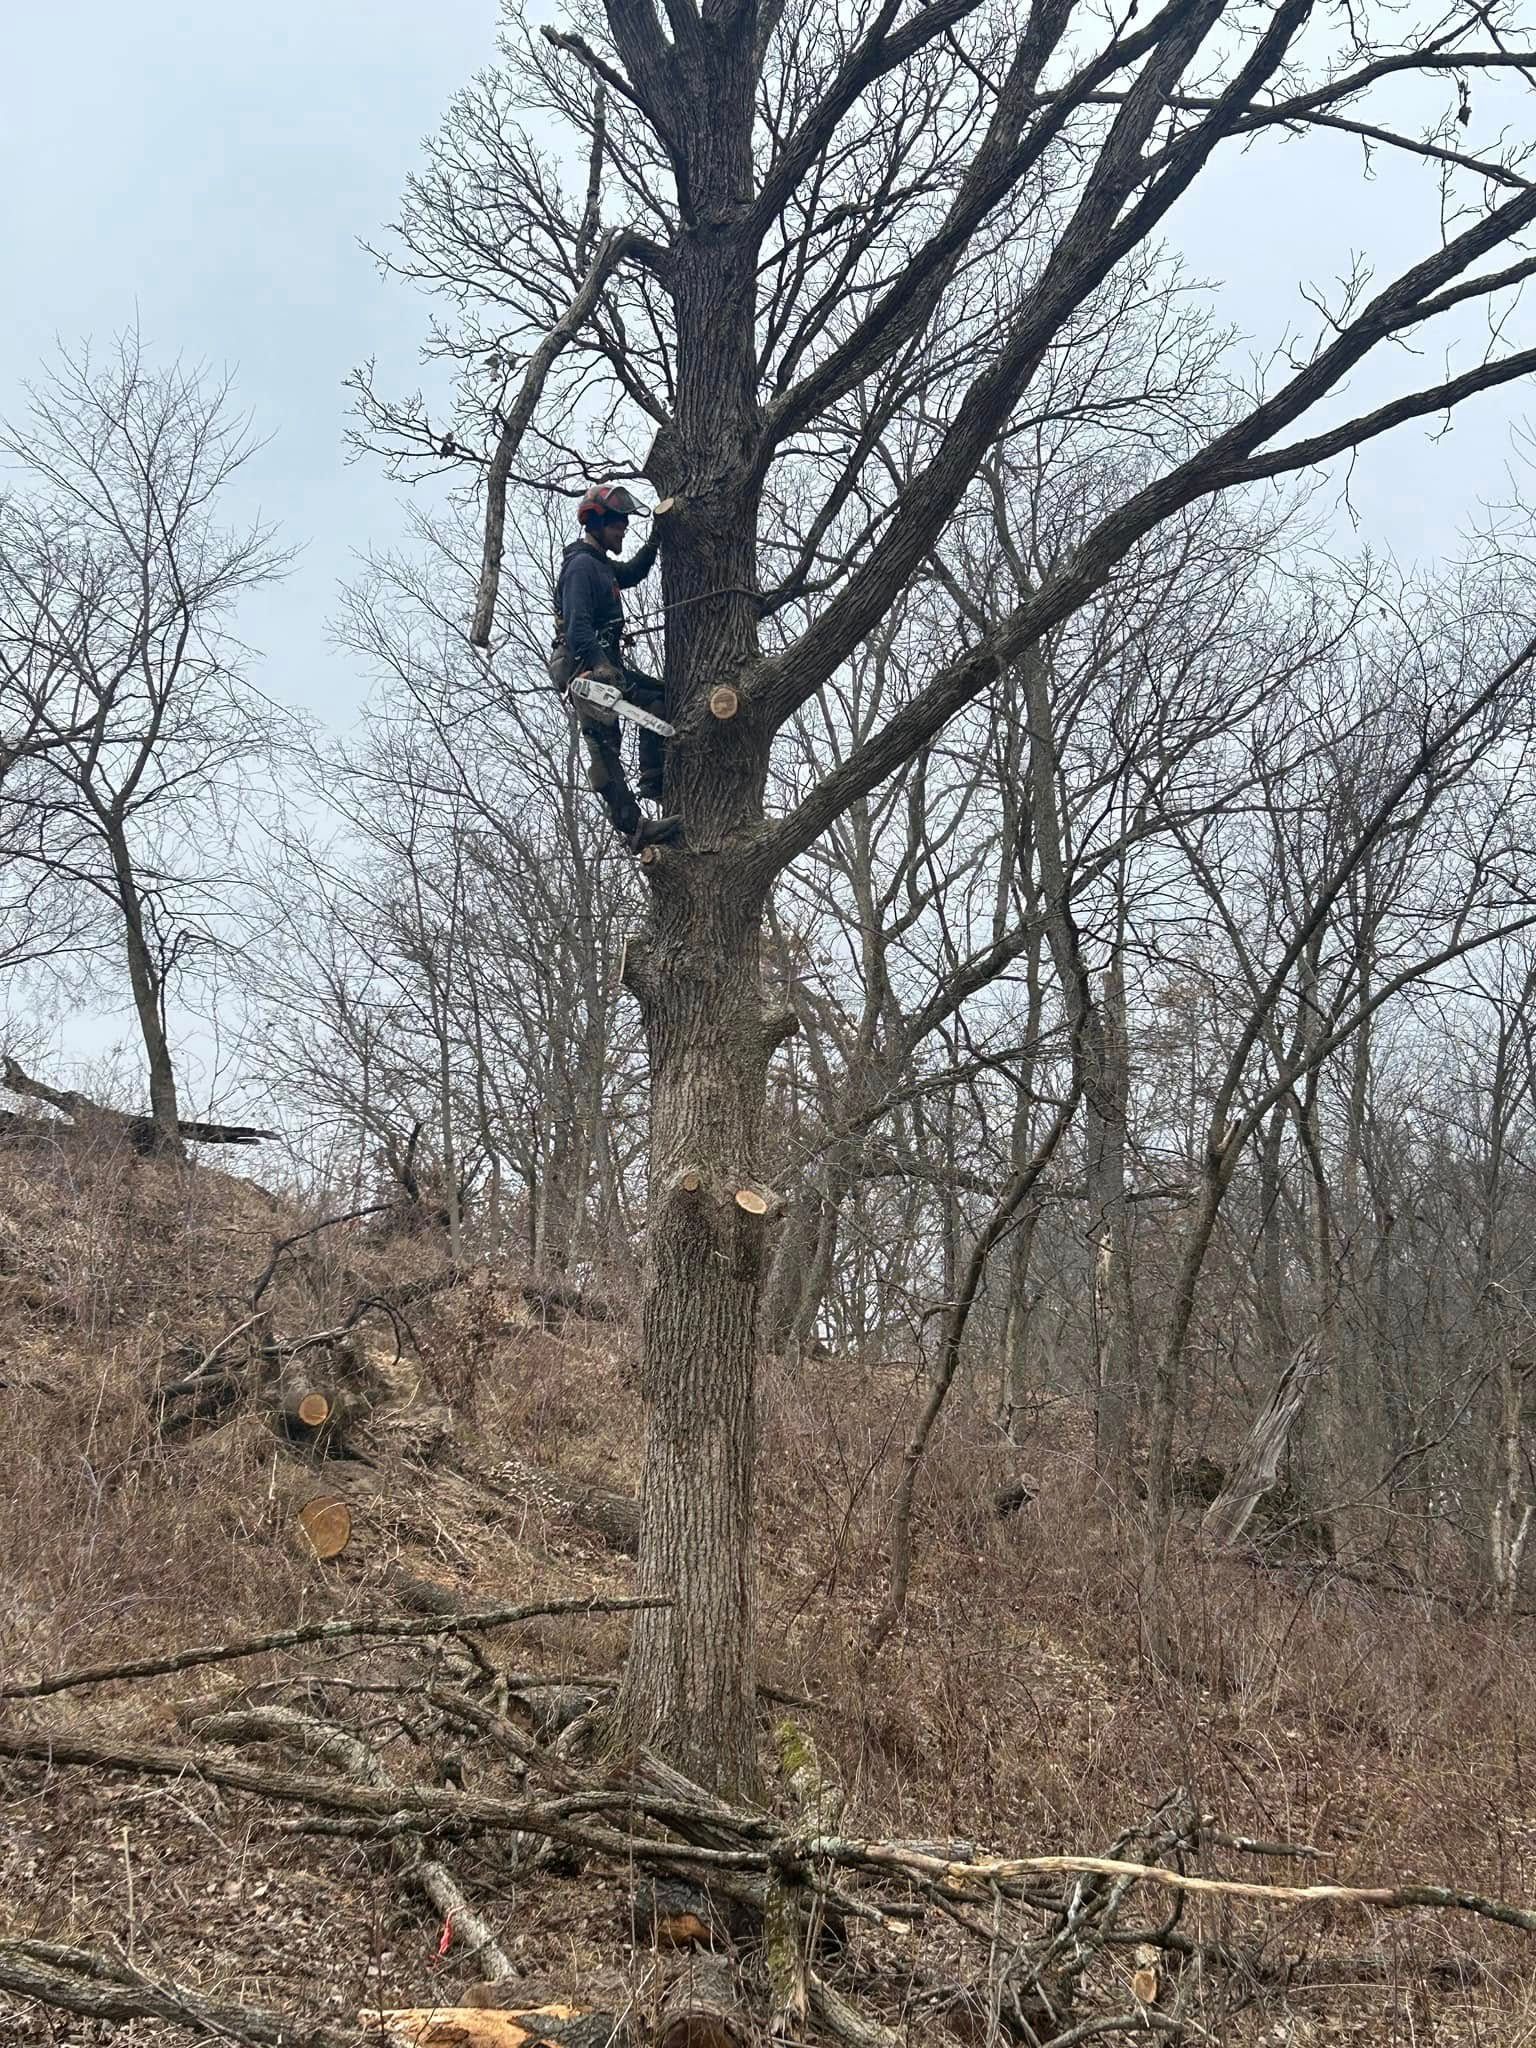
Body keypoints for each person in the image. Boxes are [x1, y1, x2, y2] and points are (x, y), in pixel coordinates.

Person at [549, 482, 680, 849]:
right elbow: (576, 626)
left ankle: (654, 777)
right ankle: (633, 828)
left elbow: (634, 573)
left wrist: (657, 535)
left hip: (609, 668)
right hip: (587, 672)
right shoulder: (580, 568)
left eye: (625, 522)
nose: (623, 528)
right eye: (617, 522)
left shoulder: (601, 566)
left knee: (658, 698)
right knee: (604, 751)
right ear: (596, 523)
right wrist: (599, 664)